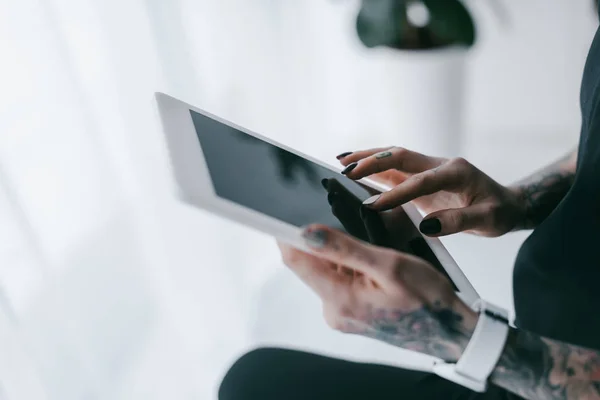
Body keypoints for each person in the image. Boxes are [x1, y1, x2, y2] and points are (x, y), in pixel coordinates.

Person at [218, 19, 600, 400]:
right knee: (253, 380)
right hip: (537, 346)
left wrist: (466, 339)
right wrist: (520, 201)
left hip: (554, 378)